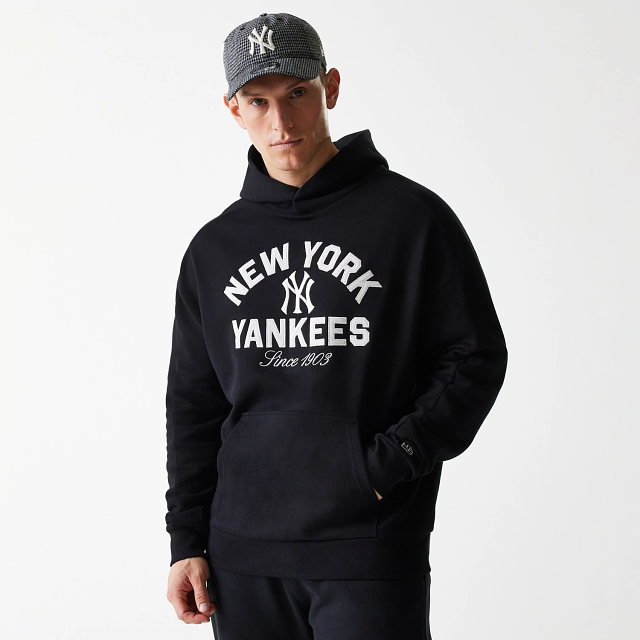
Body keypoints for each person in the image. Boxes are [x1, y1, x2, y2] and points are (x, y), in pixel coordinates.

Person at [164, 12, 508, 639]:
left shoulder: (411, 219)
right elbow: (194, 402)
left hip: (369, 548)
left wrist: (388, 463)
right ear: (233, 109)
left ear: (332, 87)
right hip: (241, 556)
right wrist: (186, 539)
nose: (281, 121)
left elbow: (474, 356)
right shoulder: (213, 248)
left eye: (297, 92)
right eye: (258, 100)